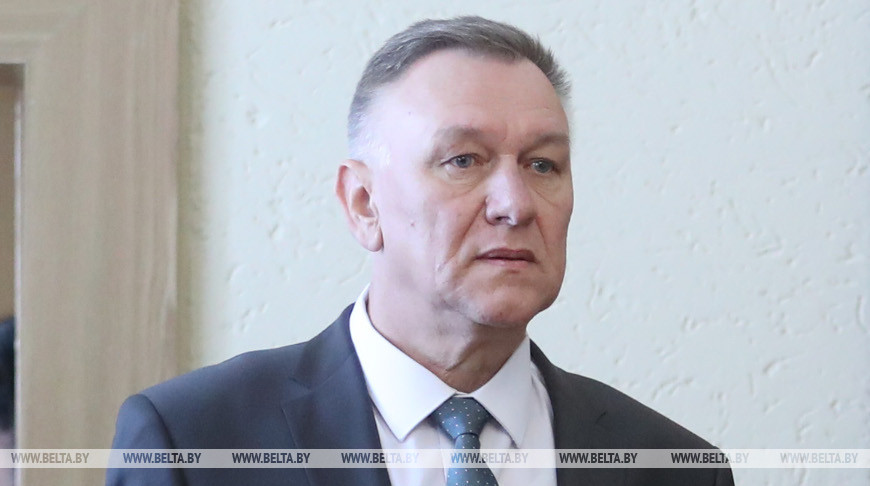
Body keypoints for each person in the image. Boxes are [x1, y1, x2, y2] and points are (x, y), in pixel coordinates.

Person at [107, 16, 734, 486]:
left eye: (543, 164)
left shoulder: (674, 467)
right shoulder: (191, 441)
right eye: (464, 160)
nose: (515, 205)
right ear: (363, 204)